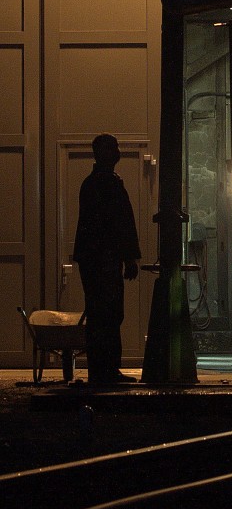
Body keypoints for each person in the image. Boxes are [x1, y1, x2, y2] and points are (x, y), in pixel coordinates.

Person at [73, 134, 140, 385]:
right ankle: (107, 371)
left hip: (94, 260)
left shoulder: (92, 184)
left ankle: (100, 372)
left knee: (101, 315)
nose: (117, 153)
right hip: (104, 261)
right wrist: (129, 257)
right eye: (113, 149)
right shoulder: (107, 184)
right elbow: (120, 224)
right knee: (109, 315)